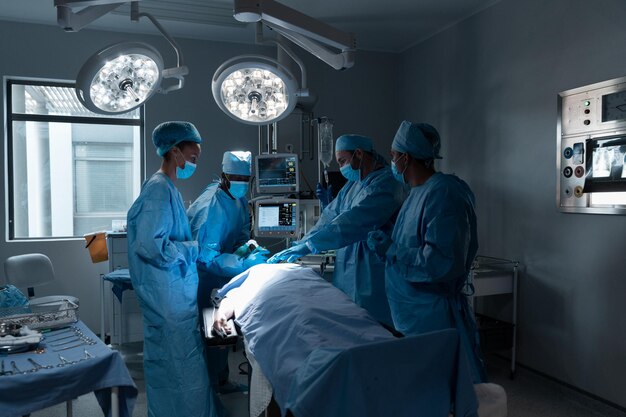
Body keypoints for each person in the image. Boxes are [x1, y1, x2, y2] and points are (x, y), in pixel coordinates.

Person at [367, 120, 487, 383]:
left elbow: (440, 262)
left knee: (443, 386)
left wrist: (393, 251)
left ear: (406, 158)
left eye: (393, 155)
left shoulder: (444, 193)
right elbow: (413, 243)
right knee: (421, 384)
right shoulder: (416, 193)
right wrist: (388, 244)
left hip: (432, 314)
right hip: (412, 311)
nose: (392, 161)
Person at [127, 121, 222, 417]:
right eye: (192, 157)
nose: (194, 163)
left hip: (174, 300)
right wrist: (192, 249)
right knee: (179, 373)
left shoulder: (166, 187)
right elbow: (151, 246)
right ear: (175, 151)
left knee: (181, 371)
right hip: (167, 303)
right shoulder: (158, 189)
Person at [268, 134, 406, 327]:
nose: (341, 167)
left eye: (342, 161)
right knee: (349, 325)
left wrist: (309, 245)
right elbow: (329, 217)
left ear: (359, 154)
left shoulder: (387, 184)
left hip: (373, 270)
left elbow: (353, 222)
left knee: (375, 329)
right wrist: (300, 244)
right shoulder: (354, 184)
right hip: (347, 269)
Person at [187, 150, 268, 393]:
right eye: (236, 178)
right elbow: (205, 257)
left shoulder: (238, 198)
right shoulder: (211, 204)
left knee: (223, 331)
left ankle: (221, 381)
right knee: (211, 333)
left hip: (222, 275)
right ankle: (209, 388)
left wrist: (247, 249)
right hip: (204, 279)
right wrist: (243, 264)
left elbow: (241, 235)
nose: (242, 184)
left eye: (246, 180)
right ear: (224, 175)